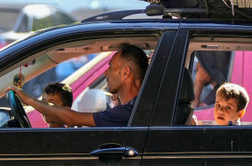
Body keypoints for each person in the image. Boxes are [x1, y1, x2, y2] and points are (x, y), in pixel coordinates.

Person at [8, 43, 148, 127]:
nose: (106, 73)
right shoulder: (136, 109)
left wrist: (30, 101)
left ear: (125, 72)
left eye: (110, 67)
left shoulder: (129, 112)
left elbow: (71, 118)